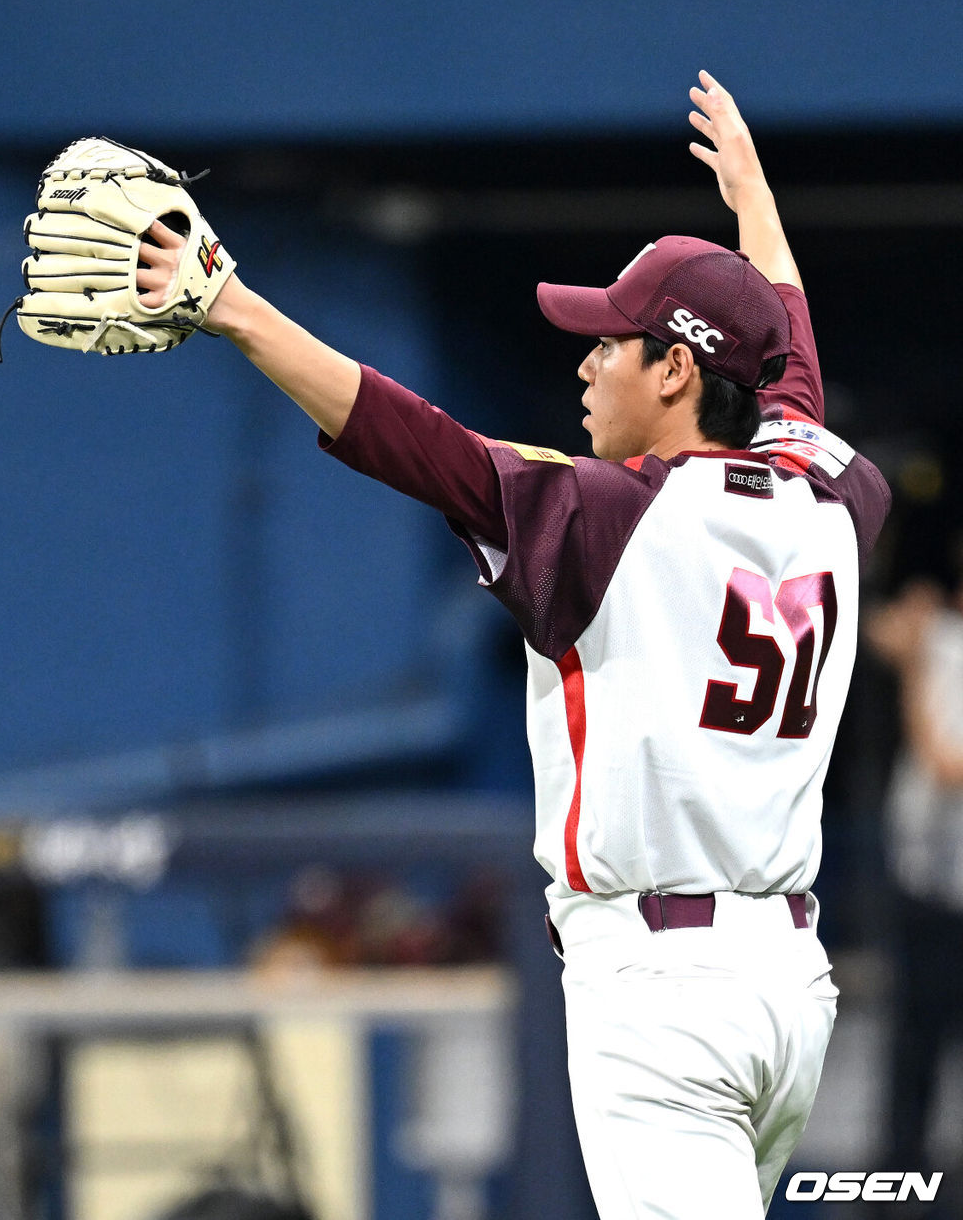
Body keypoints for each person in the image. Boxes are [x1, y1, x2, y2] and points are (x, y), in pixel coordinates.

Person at [137, 72, 891, 1218]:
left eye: (611, 345)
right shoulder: (834, 490)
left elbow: (416, 442)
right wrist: (753, 205)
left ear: (676, 370)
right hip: (787, 981)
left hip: (662, 988)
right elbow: (790, 369)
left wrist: (232, 308)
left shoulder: (612, 514)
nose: (586, 364)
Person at [866, 571, 963, 1177]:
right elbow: (876, 629)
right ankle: (897, 1186)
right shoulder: (947, 638)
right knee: (912, 1051)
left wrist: (916, 669)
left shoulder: (938, 656)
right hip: (926, 883)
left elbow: (944, 764)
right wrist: (912, 626)